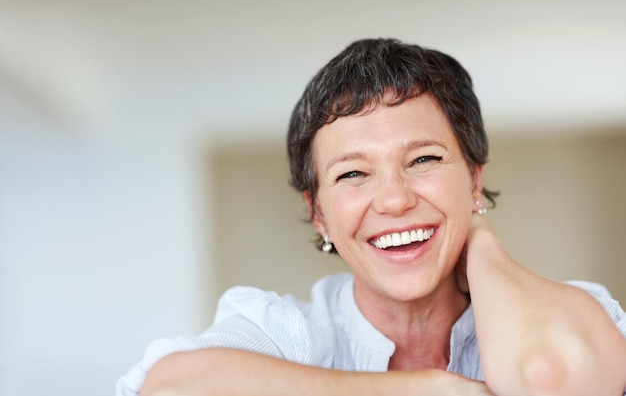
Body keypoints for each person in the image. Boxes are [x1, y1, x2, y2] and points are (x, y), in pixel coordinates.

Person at [117, 38, 626, 396]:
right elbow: (172, 387)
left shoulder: (571, 312)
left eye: (423, 160)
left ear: (473, 177)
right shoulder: (285, 332)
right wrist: (428, 390)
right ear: (318, 214)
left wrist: (478, 237)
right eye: (352, 174)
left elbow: (558, 376)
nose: (394, 200)